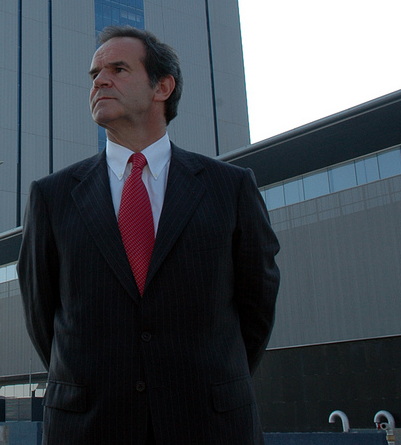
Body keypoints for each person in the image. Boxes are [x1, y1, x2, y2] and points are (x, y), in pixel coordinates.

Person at [18, 25, 280, 445]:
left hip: (210, 426)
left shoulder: (229, 188)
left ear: (162, 87)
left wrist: (210, 380)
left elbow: (257, 306)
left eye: (118, 69)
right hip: (89, 427)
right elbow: (41, 315)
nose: (100, 81)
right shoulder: (52, 197)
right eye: (95, 74)